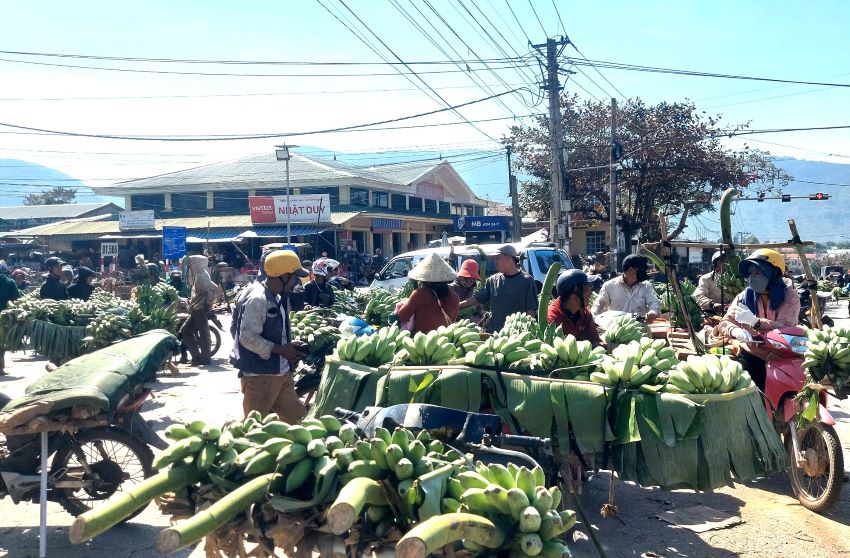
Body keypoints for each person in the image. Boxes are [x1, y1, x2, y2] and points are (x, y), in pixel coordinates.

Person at [230, 250, 309, 422]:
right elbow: (248, 337)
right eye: (294, 277)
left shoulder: (276, 296)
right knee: (252, 426)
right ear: (283, 276)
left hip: (281, 373)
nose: (296, 281)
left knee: (298, 419)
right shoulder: (258, 298)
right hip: (261, 376)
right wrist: (280, 349)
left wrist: (287, 344)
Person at [717, 249, 800, 391]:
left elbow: (786, 326)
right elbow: (725, 322)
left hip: (779, 357)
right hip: (752, 354)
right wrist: (735, 330)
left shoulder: (789, 297)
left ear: (773, 273)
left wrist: (756, 323)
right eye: (750, 273)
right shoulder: (744, 297)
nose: (752, 277)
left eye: (758, 272)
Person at [474, 245, 537, 333]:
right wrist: (458, 304)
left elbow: (530, 311)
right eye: (494, 259)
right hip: (495, 334)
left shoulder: (526, 280)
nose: (495, 262)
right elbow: (477, 299)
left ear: (509, 258)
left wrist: (532, 333)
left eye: (498, 258)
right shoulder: (492, 280)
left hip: (516, 335)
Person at [396, 253, 460, 334]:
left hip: (424, 342)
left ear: (424, 278)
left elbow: (403, 316)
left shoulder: (419, 294)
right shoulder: (455, 297)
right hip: (445, 341)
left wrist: (402, 305)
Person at [591, 254, 661, 322]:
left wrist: (653, 311)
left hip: (640, 330)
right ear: (631, 270)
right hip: (618, 330)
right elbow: (598, 306)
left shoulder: (646, 286)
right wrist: (592, 320)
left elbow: (654, 302)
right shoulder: (609, 286)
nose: (644, 273)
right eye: (642, 270)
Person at [180, 255, 220, 366]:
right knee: (186, 331)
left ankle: (204, 358)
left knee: (203, 333)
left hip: (200, 308)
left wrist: (208, 304)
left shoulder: (202, 275)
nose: (191, 266)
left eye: (192, 263)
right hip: (196, 308)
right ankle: (197, 357)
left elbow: (213, 289)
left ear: (198, 264)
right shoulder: (199, 275)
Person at [547, 269, 603, 346]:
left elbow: (596, 341)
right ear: (576, 291)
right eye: (588, 287)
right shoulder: (551, 319)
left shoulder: (585, 313)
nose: (591, 292)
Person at [0, 264, 21, 374]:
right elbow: (16, 300)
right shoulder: (10, 282)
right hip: (4, 317)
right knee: (2, 341)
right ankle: (1, 366)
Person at [450, 259, 484, 323]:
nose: (471, 281)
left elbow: (479, 313)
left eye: (473, 279)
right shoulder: (450, 289)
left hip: (469, 326)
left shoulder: (474, 291)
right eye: (468, 277)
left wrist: (476, 320)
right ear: (461, 277)